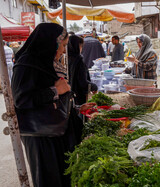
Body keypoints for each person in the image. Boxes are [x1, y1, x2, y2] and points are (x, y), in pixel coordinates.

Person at [11, 23, 95, 187]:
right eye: (63, 45)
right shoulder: (26, 65)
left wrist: (76, 109)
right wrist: (54, 90)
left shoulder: (46, 63)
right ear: (50, 42)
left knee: (62, 177)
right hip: (40, 136)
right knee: (48, 179)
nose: (64, 51)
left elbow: (53, 104)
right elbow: (21, 99)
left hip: (56, 131)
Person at [68, 35, 98, 106]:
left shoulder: (68, 58)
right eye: (81, 46)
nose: (81, 48)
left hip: (72, 97)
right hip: (79, 98)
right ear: (76, 46)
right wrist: (94, 86)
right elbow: (83, 82)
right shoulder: (78, 61)